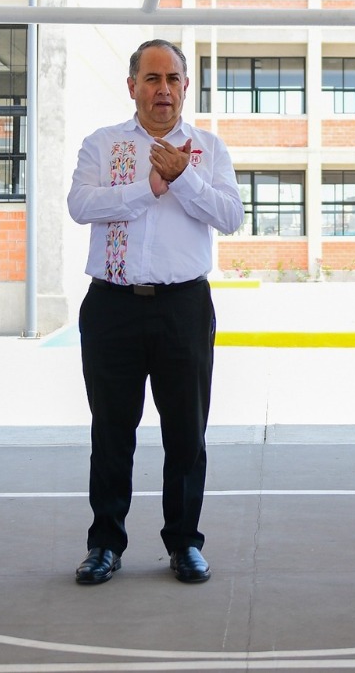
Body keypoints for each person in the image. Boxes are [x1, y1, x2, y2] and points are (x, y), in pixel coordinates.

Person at [67, 39, 243, 586]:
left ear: (186, 87)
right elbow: (80, 205)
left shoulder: (208, 150)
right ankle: (105, 543)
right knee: (111, 430)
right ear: (132, 87)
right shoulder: (104, 144)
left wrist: (183, 177)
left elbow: (231, 216)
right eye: (151, 78)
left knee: (186, 433)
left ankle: (184, 542)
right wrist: (149, 186)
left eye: (173, 79)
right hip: (112, 306)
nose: (162, 90)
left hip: (184, 307)